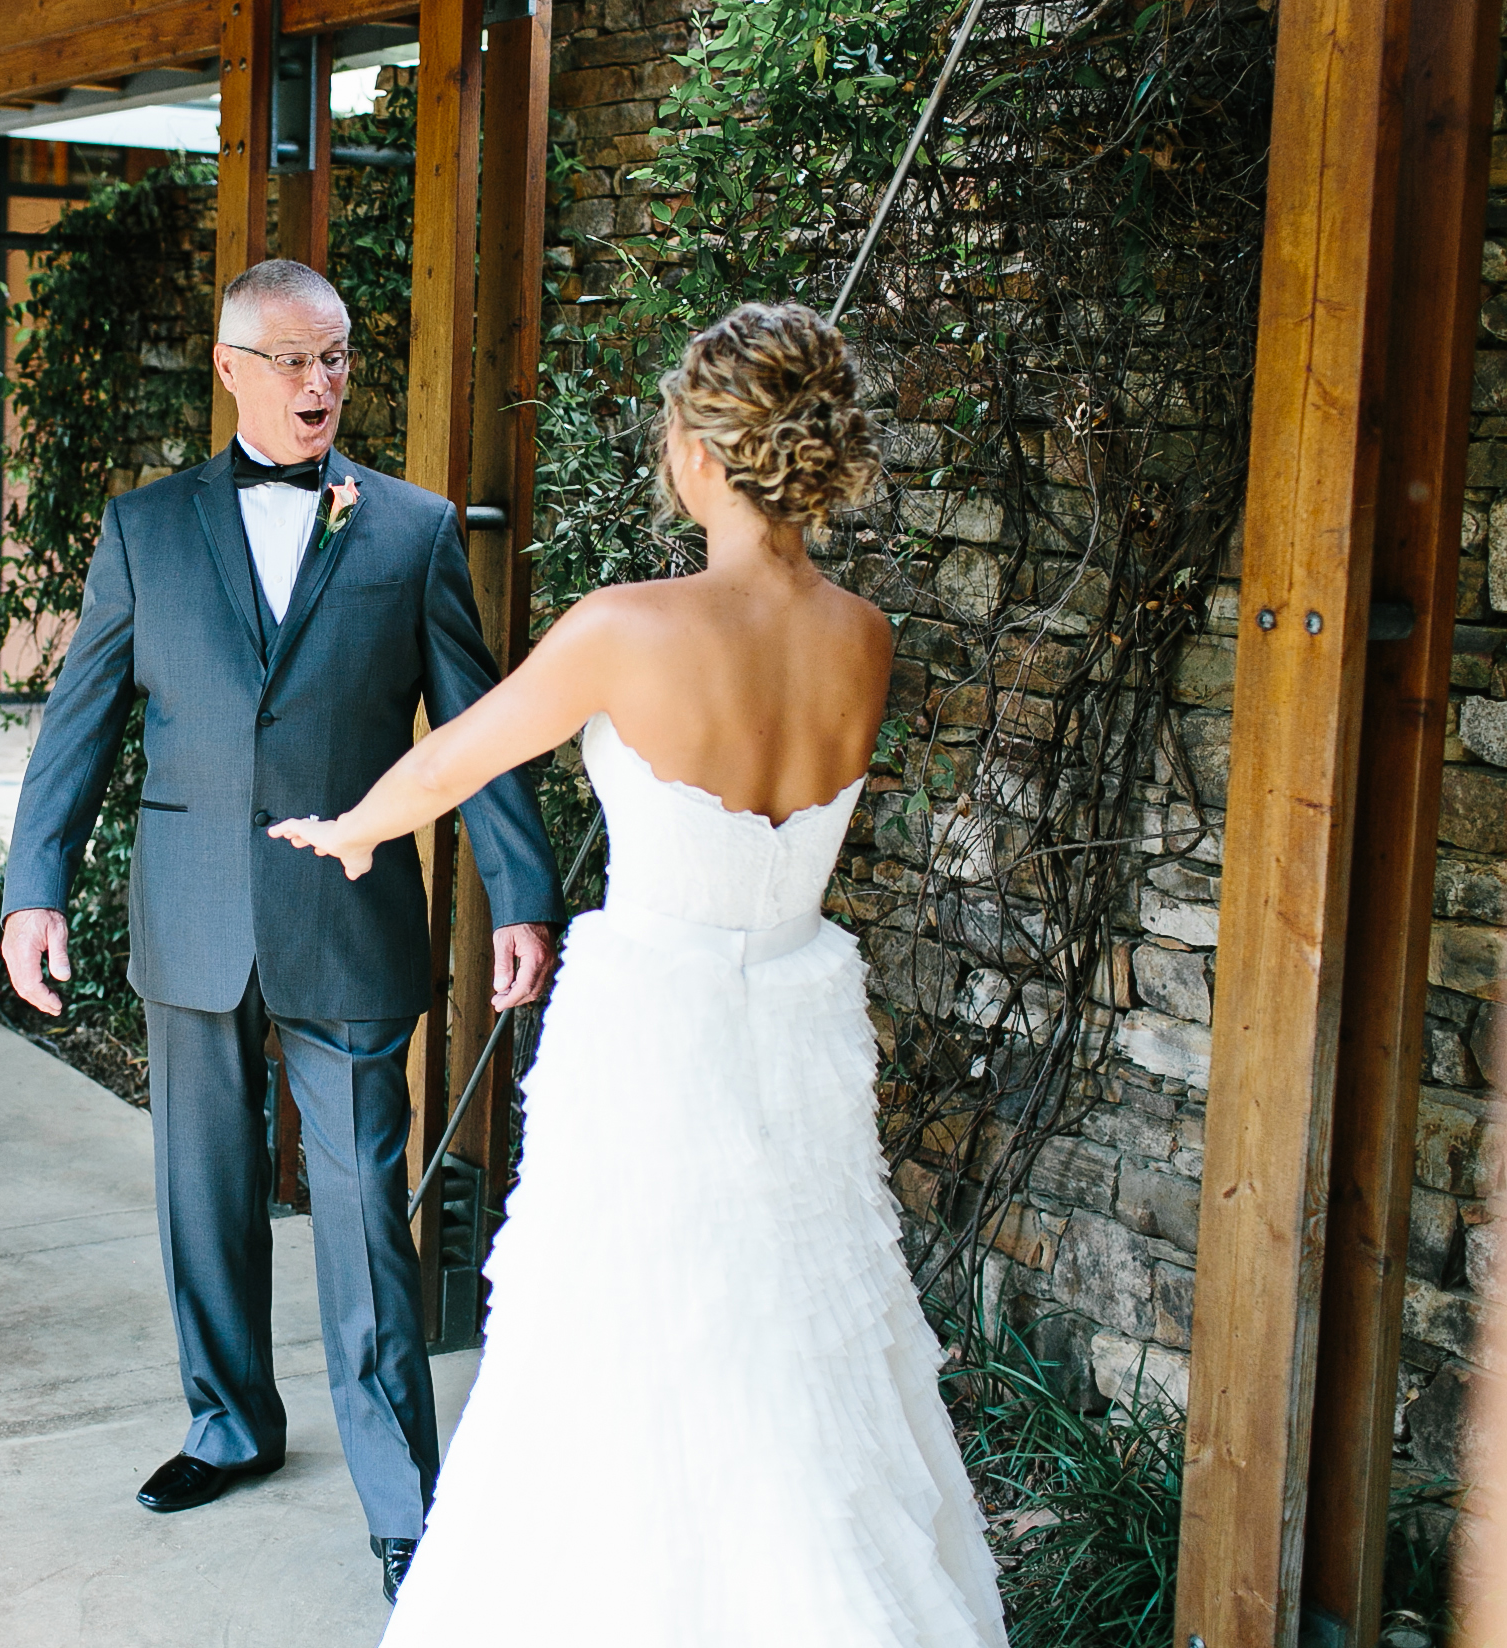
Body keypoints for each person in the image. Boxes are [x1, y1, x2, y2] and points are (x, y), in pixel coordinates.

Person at [271, 302, 1010, 1645]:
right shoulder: (863, 637)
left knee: (622, 1343)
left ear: (699, 451)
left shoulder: (627, 627)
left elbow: (456, 759)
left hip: (656, 1033)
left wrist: (352, 829)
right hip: (795, 1024)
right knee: (796, 1336)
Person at [0, 259, 565, 1604]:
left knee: (367, 1213)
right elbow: (81, 720)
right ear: (230, 365)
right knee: (204, 1197)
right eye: (294, 360)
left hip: (353, 918)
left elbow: (479, 738)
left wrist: (523, 893)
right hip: (191, 917)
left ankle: (400, 1502)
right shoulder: (143, 528)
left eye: (338, 360)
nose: (320, 385)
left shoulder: (415, 531)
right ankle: (229, 1425)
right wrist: (36, 887)